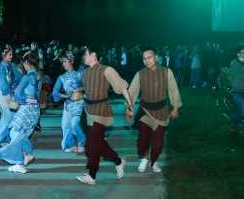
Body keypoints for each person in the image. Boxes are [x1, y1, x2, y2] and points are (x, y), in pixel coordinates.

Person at [76, 46, 132, 185]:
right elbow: (89, 90)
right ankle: (118, 161)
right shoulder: (84, 72)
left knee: (91, 145)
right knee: (98, 143)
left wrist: (130, 105)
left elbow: (122, 87)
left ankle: (92, 175)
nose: (83, 57)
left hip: (101, 111)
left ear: (93, 55)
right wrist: (79, 92)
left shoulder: (107, 70)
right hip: (87, 111)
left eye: (85, 54)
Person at [126, 47, 182, 174]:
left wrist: (175, 107)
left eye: (149, 57)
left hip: (161, 111)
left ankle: (154, 161)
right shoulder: (140, 74)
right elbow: (132, 92)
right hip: (145, 111)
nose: (147, 61)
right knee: (143, 139)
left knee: (158, 143)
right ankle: (144, 158)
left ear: (156, 57)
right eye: (144, 59)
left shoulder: (166, 72)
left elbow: (173, 90)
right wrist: (128, 109)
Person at [0, 51, 40, 174]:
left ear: (26, 63)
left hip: (27, 108)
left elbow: (18, 94)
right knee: (22, 133)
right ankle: (27, 154)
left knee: (15, 132)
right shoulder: (38, 75)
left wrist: (21, 101)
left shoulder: (26, 77)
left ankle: (20, 163)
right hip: (35, 109)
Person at [52, 51, 86, 153]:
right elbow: (55, 92)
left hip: (79, 103)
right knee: (65, 126)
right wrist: (66, 96)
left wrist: (78, 89)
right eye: (62, 62)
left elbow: (88, 87)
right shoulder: (61, 77)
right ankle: (70, 145)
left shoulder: (80, 74)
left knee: (74, 124)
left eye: (65, 61)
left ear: (71, 61)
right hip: (68, 105)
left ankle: (83, 142)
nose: (63, 64)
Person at [0, 46, 20, 147]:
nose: (11, 56)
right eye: (9, 54)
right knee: (7, 117)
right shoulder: (2, 67)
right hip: (4, 94)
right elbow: (3, 83)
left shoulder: (11, 65)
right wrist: (7, 96)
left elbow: (18, 77)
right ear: (3, 55)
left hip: (9, 93)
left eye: (12, 54)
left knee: (8, 117)